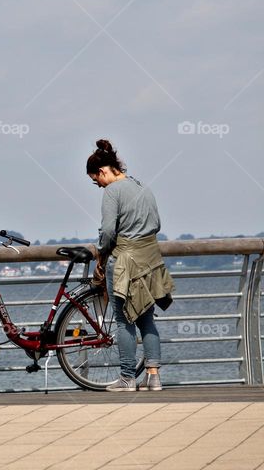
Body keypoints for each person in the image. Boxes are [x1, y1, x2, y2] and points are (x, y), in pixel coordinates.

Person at [87, 139, 174, 392]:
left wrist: (101, 252)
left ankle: (127, 378)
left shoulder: (112, 192)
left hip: (124, 261)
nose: (98, 185)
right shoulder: (142, 186)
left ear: (103, 171)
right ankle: (154, 376)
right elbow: (157, 223)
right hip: (150, 259)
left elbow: (108, 231)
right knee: (146, 318)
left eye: (96, 180)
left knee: (124, 320)